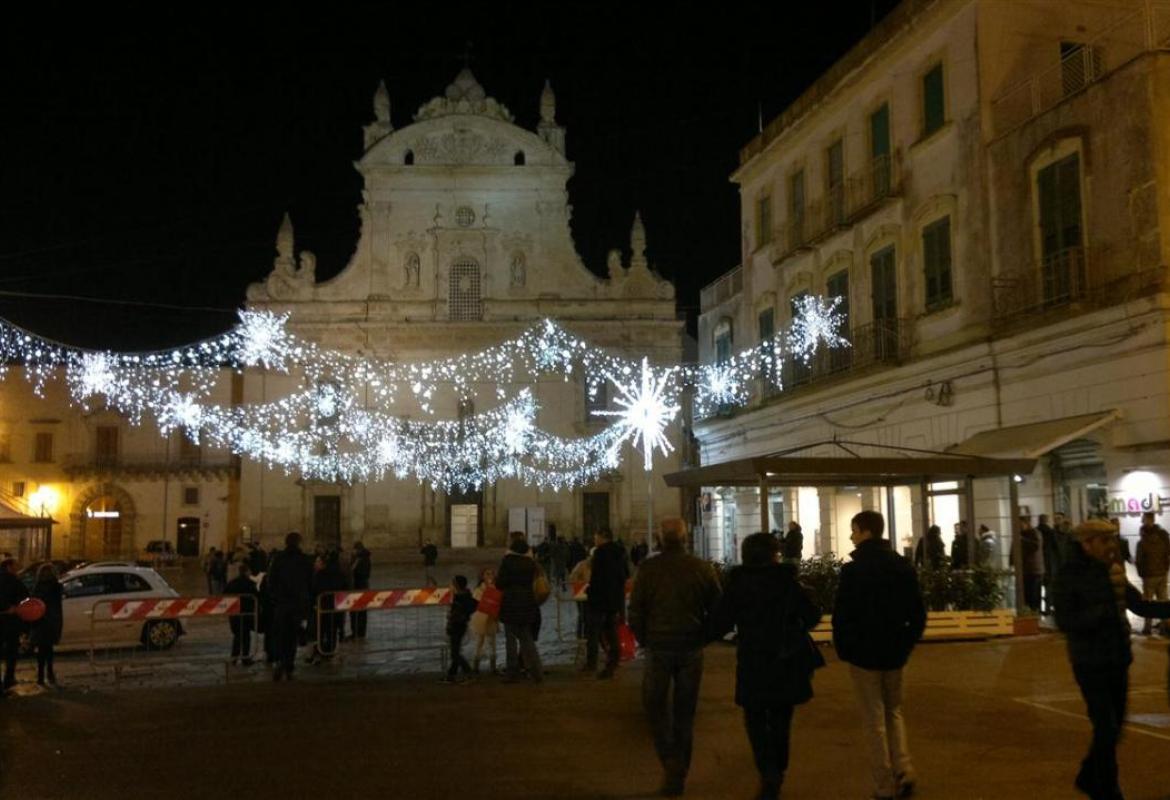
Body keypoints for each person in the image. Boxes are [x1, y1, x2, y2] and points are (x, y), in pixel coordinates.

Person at [1054, 518, 1170, 799]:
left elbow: (1139, 605)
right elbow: (1065, 619)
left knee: (1115, 726)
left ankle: (1088, 775)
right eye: (1105, 541)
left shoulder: (1113, 570)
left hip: (1118, 658)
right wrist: (1099, 613)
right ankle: (1107, 788)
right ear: (1087, 543)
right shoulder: (1070, 575)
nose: (1111, 546)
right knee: (1105, 727)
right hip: (1089, 661)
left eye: (1112, 540)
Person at [709, 532, 823, 799]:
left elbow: (721, 621)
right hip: (784, 660)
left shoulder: (738, 584)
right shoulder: (787, 582)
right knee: (782, 718)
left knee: (755, 719)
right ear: (774, 554)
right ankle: (778, 769)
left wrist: (704, 635)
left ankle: (767, 771)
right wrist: (794, 628)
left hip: (753, 660)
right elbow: (811, 615)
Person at [832, 510, 927, 800]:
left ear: (865, 532)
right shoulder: (901, 566)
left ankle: (884, 784)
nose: (851, 535)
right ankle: (904, 769)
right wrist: (906, 644)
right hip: (894, 652)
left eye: (854, 530)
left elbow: (842, 616)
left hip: (863, 654)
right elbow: (918, 613)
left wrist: (845, 648)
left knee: (873, 720)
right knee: (894, 712)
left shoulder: (853, 570)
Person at [628, 523, 722, 797]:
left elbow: (635, 610)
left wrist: (645, 639)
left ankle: (671, 763)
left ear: (659, 539)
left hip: (659, 646)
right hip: (690, 646)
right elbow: (718, 608)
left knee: (654, 706)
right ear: (684, 538)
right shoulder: (702, 568)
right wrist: (704, 636)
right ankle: (678, 768)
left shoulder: (648, 569)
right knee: (685, 712)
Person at [496, 532, 543, 684]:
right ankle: (537, 671)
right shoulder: (530, 562)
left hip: (511, 602)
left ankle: (512, 671)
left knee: (510, 639)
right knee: (527, 638)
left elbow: (500, 583)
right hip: (528, 601)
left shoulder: (508, 561)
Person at [266, 532, 314, 681]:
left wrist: (275, 597)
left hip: (281, 604)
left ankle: (279, 662)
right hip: (298, 604)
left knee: (280, 635)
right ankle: (290, 666)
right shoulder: (305, 560)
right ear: (299, 543)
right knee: (292, 636)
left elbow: (271, 581)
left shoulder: (278, 559)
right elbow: (311, 582)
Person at [584, 528, 629, 679]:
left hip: (599, 598)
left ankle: (591, 663)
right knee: (612, 632)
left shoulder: (600, 553)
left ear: (603, 537)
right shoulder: (620, 552)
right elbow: (624, 575)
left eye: (596, 537)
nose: (594, 539)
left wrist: (590, 592)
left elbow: (596, 578)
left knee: (593, 632)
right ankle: (613, 662)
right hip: (614, 599)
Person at [309, 550, 348, 662]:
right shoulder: (339, 573)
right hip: (335, 606)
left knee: (322, 629)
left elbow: (315, 589)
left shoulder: (320, 574)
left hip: (323, 605)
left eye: (317, 562)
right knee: (332, 629)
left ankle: (322, 649)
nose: (315, 564)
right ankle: (329, 650)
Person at [1135, 511, 1169, 636]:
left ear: (1149, 520)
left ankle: (1147, 628)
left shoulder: (1143, 540)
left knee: (1148, 602)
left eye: (1143, 519)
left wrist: (1141, 573)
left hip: (1149, 575)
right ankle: (1165, 627)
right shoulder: (1163, 536)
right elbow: (1168, 553)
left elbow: (1139, 559)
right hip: (1162, 573)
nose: (1142, 521)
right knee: (1163, 600)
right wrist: (1165, 568)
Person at [30, 563, 63, 687]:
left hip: (40, 620)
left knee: (41, 650)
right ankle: (50, 674)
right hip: (51, 620)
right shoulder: (56, 586)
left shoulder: (37, 586)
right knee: (48, 649)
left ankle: (40, 676)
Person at [0, 558, 30, 692]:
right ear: (9, 567)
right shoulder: (13, 580)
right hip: (11, 622)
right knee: (11, 651)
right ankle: (8, 679)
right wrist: (11, 607)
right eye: (15, 566)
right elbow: (25, 597)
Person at [442, 575, 478, 683]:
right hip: (461, 626)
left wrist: (450, 620)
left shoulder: (458, 599)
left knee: (455, 653)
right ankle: (451, 675)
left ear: (456, 585)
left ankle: (468, 672)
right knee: (455, 651)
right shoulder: (466, 597)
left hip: (457, 626)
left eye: (452, 583)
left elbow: (455, 615)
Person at [224, 562, 260, 665]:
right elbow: (256, 596)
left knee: (237, 636)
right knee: (246, 636)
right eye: (249, 571)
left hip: (234, 613)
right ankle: (245, 657)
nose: (251, 573)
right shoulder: (249, 583)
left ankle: (234, 658)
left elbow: (225, 594)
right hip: (246, 613)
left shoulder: (232, 583)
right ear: (245, 572)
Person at [471, 567, 499, 674]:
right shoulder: (478, 589)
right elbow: (476, 603)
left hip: (491, 618)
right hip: (481, 618)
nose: (490, 576)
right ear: (482, 576)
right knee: (479, 642)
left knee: (492, 643)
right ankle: (476, 666)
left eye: (491, 574)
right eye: (487, 574)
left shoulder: (496, 588)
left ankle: (493, 667)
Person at [1015, 516, 1045, 613]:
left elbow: (1035, 546)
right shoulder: (1023, 534)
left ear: (1026, 523)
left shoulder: (1033, 533)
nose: (1019, 526)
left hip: (1033, 570)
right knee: (1028, 594)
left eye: (1020, 524)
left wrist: (1021, 539)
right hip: (1027, 569)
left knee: (1033, 594)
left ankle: (1034, 613)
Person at [349, 540, 372, 639]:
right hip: (361, 586)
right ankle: (357, 632)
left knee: (359, 611)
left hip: (360, 586)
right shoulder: (360, 558)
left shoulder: (361, 559)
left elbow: (355, 571)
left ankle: (359, 632)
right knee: (358, 612)